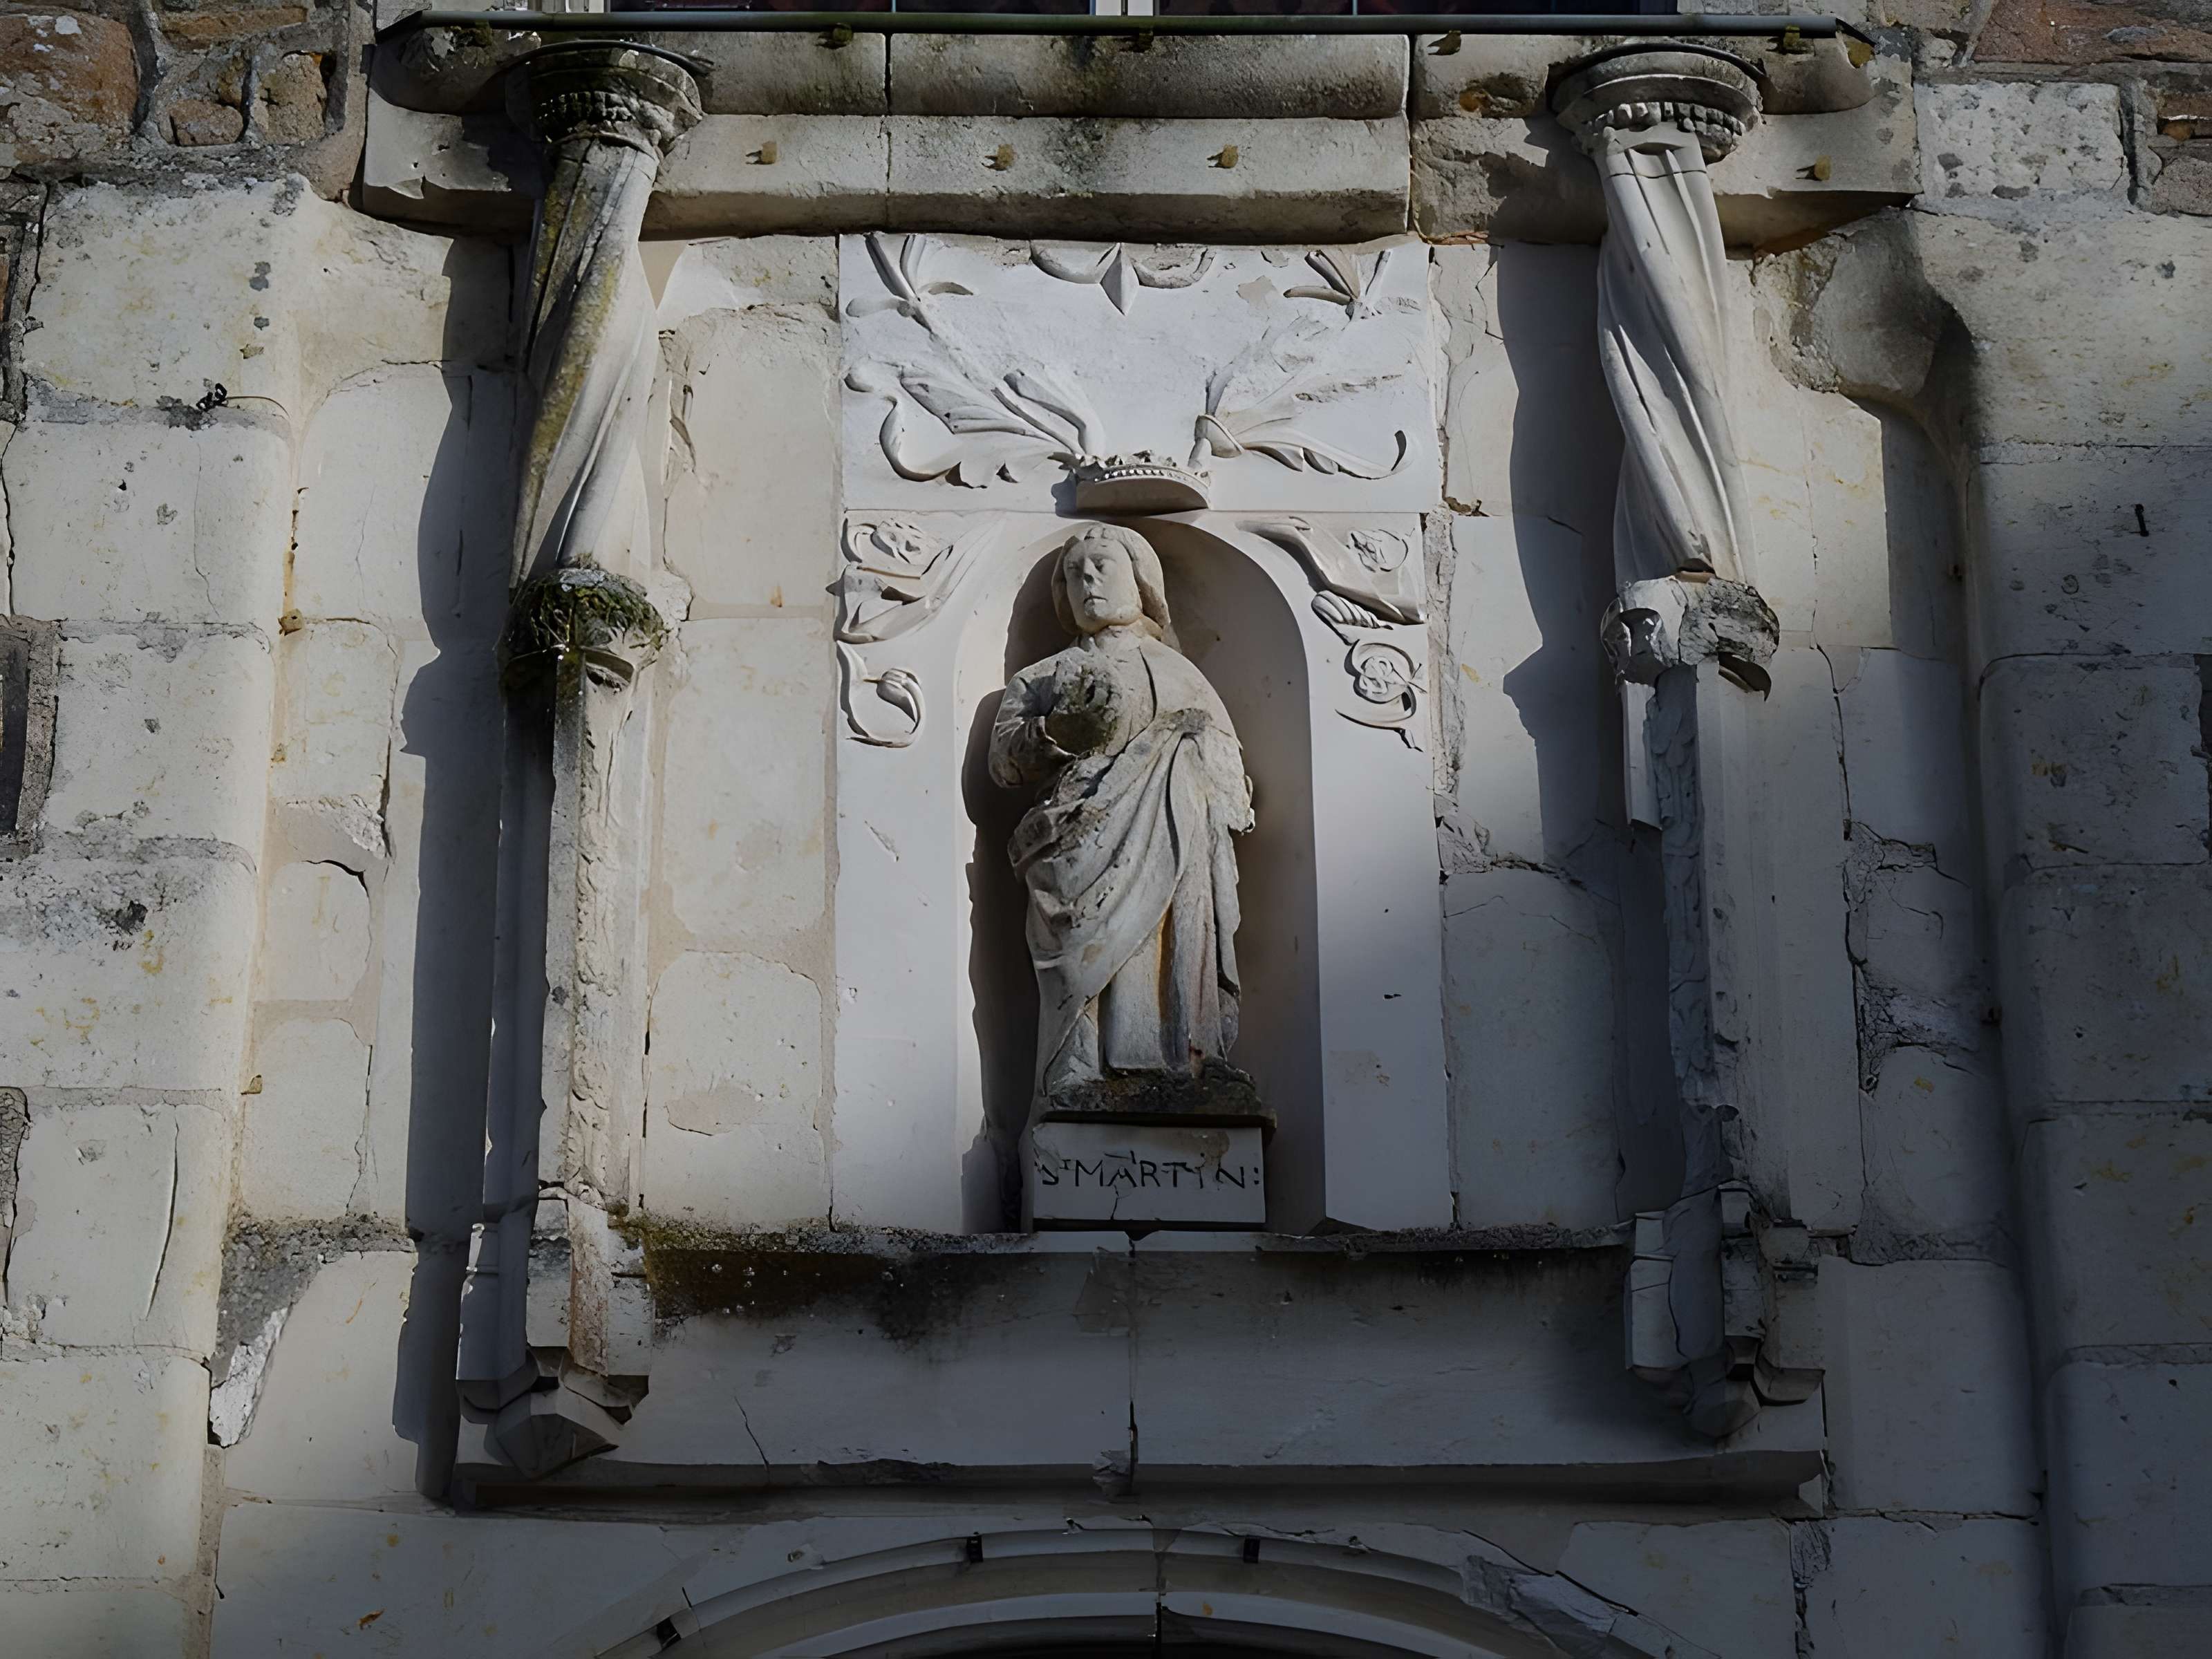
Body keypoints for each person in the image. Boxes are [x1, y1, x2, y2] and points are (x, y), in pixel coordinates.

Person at [989, 525, 1256, 1121]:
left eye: (1102, 566)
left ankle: (1188, 1059)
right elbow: (1003, 762)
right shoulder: (1045, 675)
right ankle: (1077, 1070)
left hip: (1176, 841)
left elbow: (1229, 773)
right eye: (1074, 573)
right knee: (1085, 957)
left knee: (1173, 942)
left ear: (1141, 581)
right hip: (1076, 847)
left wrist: (1188, 758)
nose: (1087, 580)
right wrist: (1055, 733)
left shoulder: (1181, 674)